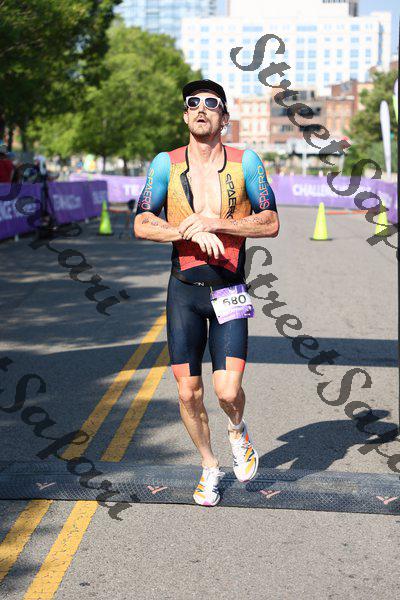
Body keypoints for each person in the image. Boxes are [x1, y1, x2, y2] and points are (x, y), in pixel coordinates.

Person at [134, 79, 279, 506]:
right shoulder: (165, 164)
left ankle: (237, 431)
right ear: (185, 115)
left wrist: (216, 223)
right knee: (187, 392)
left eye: (211, 104)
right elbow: (141, 222)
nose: (201, 108)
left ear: (224, 118)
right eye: (192, 103)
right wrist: (187, 229)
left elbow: (270, 221)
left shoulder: (245, 161)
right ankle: (209, 466)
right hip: (184, 293)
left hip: (229, 290)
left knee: (228, 392)